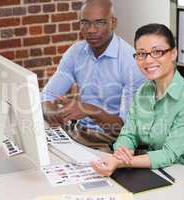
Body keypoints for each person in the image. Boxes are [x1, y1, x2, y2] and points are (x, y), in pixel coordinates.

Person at [91, 23, 184, 176]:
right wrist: (123, 151)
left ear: (173, 54)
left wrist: (120, 162)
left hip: (182, 176)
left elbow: (168, 154)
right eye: (141, 54)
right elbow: (128, 134)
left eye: (157, 52)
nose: (148, 60)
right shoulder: (143, 91)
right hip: (149, 171)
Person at [41, 0, 145, 152]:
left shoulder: (131, 63)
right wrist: (52, 112)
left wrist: (90, 110)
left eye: (100, 23)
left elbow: (125, 130)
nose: (91, 30)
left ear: (113, 23)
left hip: (110, 141)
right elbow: (47, 95)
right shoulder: (75, 52)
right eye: (85, 23)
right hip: (78, 131)